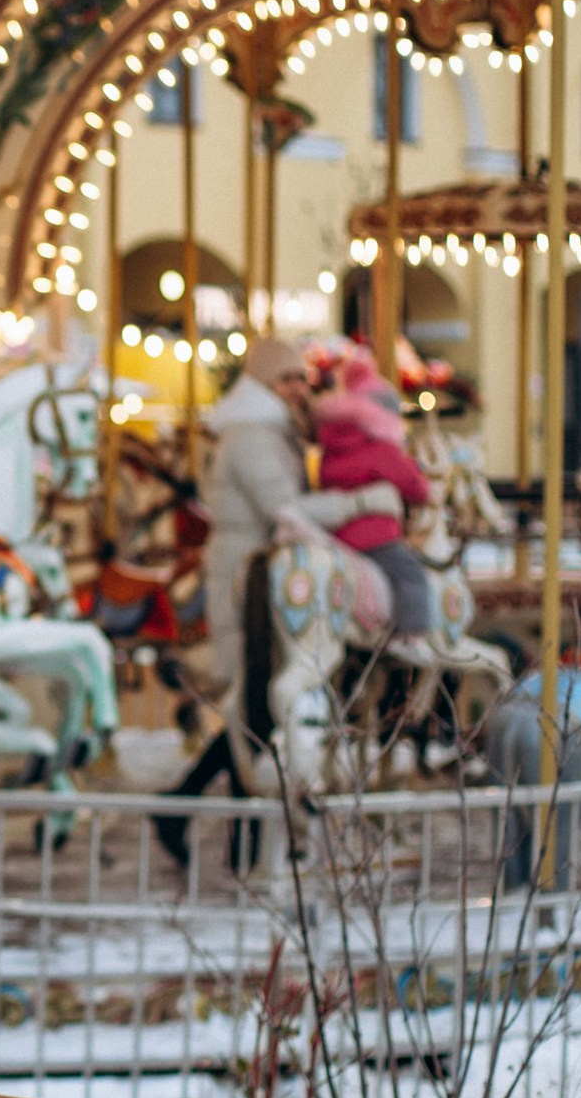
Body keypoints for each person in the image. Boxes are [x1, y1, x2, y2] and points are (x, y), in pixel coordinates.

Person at [156, 338, 401, 866]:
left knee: (257, 698)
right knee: (251, 696)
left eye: (300, 380)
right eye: (287, 380)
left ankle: (216, 823)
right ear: (264, 384)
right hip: (247, 573)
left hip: (269, 571)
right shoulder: (250, 436)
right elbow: (282, 507)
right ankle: (193, 810)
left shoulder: (273, 431)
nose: (298, 389)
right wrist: (362, 500)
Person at [312, 355, 434, 642]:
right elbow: (413, 486)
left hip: (337, 533)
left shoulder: (332, 447)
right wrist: (423, 485)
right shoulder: (380, 448)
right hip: (375, 537)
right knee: (410, 574)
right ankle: (410, 635)